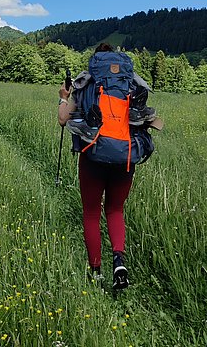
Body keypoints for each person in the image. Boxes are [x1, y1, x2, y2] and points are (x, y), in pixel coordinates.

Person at [58, 43, 155, 290]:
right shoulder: (132, 83)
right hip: (126, 157)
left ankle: (95, 271)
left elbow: (62, 119)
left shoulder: (85, 83)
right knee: (115, 210)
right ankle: (119, 261)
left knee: (91, 212)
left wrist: (63, 97)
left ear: (95, 60)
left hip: (93, 156)